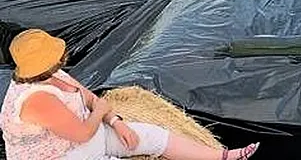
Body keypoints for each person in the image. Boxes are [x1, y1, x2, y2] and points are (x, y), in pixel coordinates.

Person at [0, 28, 259, 160]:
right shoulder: (36, 99)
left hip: (86, 139)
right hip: (64, 156)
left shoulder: (54, 75)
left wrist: (116, 122)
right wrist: (101, 111)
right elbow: (82, 131)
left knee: (150, 136)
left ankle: (220, 156)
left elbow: (89, 98)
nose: (63, 54)